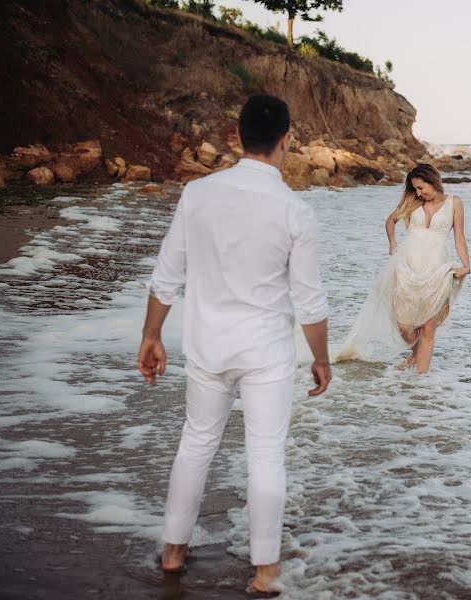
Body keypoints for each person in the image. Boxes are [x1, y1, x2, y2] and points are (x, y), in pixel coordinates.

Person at [136, 94, 331, 595]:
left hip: (206, 347)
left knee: (196, 444)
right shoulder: (295, 209)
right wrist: (322, 360)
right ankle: (265, 572)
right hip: (266, 353)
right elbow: (309, 302)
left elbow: (167, 274)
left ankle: (174, 551)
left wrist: (151, 334)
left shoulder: (197, 194)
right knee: (265, 456)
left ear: (237, 136)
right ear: (287, 140)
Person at [336, 163, 470, 373]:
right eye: (415, 188)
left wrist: (466, 266)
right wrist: (392, 243)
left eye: (421, 187)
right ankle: (415, 354)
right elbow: (390, 221)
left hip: (437, 269)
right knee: (404, 326)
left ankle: (421, 384)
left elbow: (459, 238)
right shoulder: (413, 202)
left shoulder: (455, 203)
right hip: (407, 266)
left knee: (427, 328)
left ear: (433, 181)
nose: (419, 192)